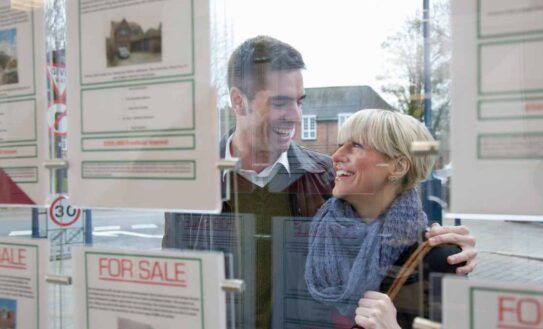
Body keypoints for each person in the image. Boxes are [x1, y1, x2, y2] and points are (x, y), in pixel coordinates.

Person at [163, 36, 476, 329]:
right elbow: (177, 281)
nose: (296, 116)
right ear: (238, 101)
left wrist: (450, 248)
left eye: (300, 101)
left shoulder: (330, 179)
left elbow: (392, 224)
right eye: (281, 102)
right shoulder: (191, 184)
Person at [305, 109, 461, 329]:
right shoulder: (315, 233)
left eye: (356, 145)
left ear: (398, 167)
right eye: (340, 144)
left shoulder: (438, 258)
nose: (336, 156)